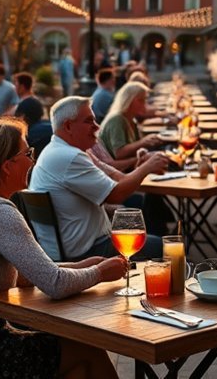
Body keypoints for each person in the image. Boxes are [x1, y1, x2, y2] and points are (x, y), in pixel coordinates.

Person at [0, 118, 126, 378]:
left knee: (76, 360)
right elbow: (55, 284)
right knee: (87, 351)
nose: (32, 161)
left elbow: (29, 276)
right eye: (27, 153)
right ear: (7, 166)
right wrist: (101, 273)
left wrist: (82, 266)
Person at [30, 96, 169, 261]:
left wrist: (140, 166)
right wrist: (147, 168)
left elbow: (118, 178)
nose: (97, 127)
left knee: (149, 220)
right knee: (168, 248)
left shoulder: (62, 150)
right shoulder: (69, 156)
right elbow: (115, 194)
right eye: (89, 121)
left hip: (79, 247)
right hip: (85, 253)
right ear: (68, 126)